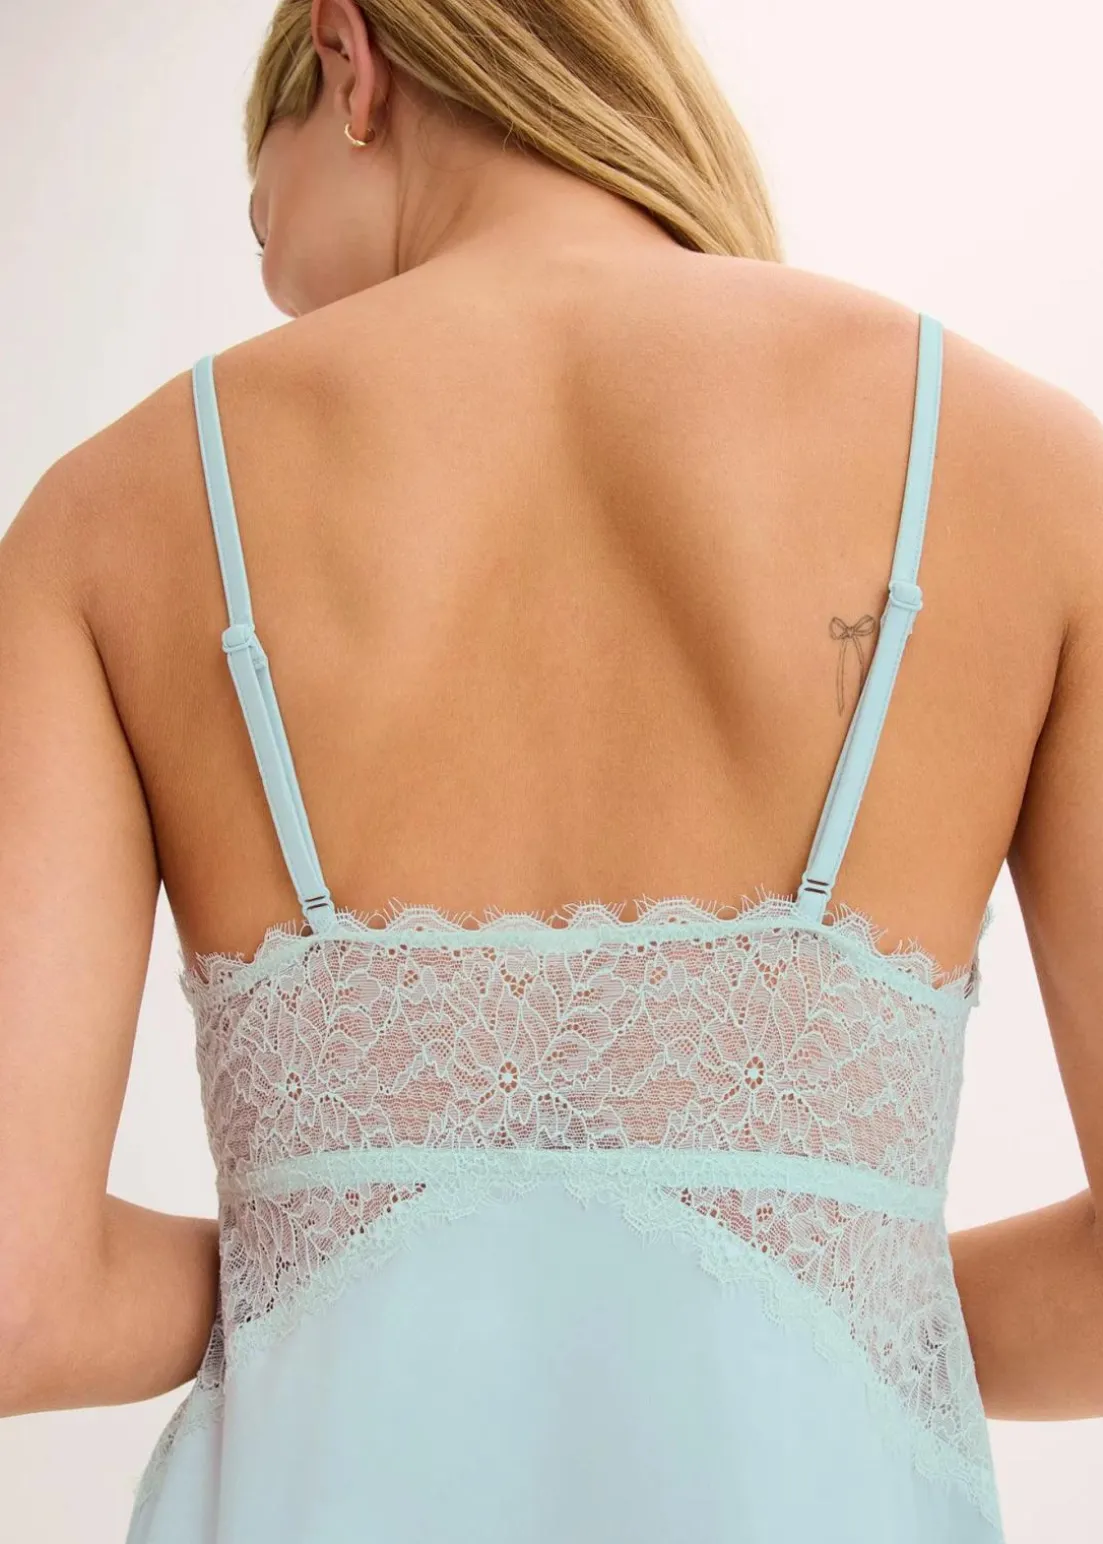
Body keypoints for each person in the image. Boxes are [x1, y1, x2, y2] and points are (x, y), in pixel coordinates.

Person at [1, 2, 1101, 1540]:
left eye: (265, 223)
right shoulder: (1029, 471)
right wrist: (809, 1290)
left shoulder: (107, 514)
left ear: (348, 60)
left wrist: (329, 1265)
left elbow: (20, 1298)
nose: (277, 289)